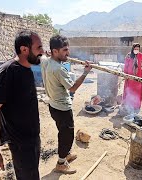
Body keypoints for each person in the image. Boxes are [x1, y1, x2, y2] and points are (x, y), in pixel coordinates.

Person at [0, 30, 44, 180]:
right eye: (39, 48)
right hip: (20, 143)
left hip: (32, 138)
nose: (42, 52)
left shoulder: (26, 68)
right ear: (24, 49)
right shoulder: (6, 73)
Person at [41, 35, 92, 174]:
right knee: (66, 136)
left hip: (53, 106)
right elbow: (73, 88)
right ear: (55, 51)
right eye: (64, 50)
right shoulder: (58, 69)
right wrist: (85, 72)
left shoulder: (46, 61)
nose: (68, 53)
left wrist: (47, 54)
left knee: (63, 132)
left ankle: (66, 154)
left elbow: (43, 56)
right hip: (62, 109)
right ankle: (61, 163)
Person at [121, 43, 142, 114]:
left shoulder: (140, 55)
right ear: (132, 49)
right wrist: (125, 75)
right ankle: (128, 104)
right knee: (129, 90)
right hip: (130, 76)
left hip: (138, 76)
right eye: (135, 49)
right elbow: (126, 65)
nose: (136, 50)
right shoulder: (129, 55)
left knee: (138, 90)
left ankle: (136, 105)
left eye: (138, 49)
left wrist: (141, 64)